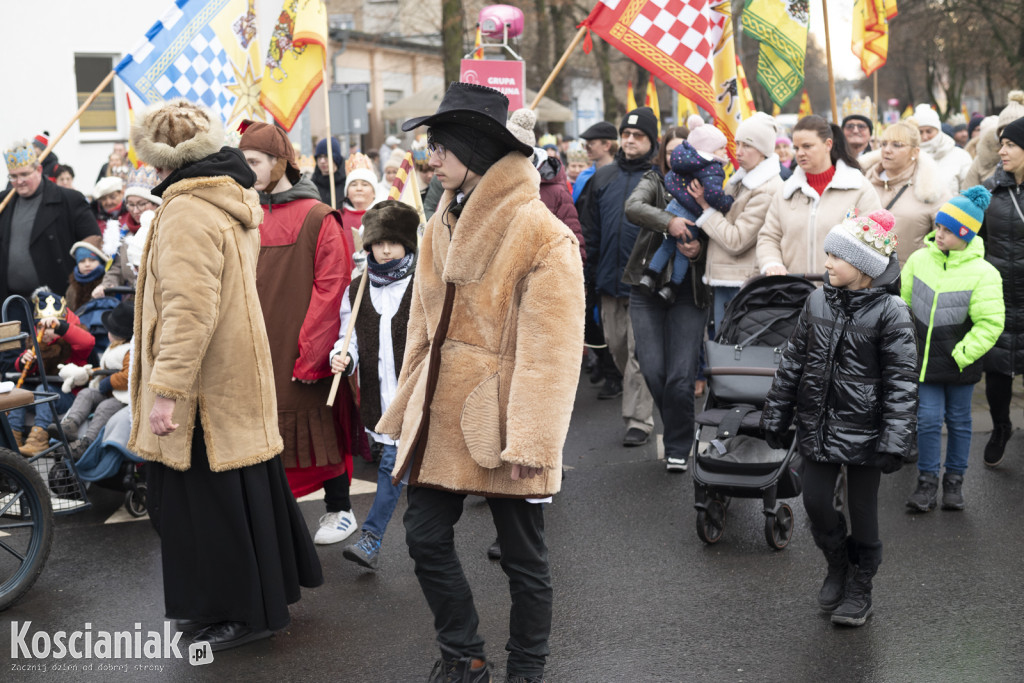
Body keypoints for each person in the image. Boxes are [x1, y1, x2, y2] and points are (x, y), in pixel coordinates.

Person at [376, 82, 584, 682]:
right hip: (441, 409)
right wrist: (403, 406)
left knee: (523, 556)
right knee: (422, 535)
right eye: (429, 146)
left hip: (504, 415)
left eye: (439, 146)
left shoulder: (543, 232)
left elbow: (552, 351)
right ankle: (463, 653)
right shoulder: (441, 215)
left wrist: (533, 439)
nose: (429, 157)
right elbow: (422, 326)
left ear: (473, 149)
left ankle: (527, 668)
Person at [127, 97, 322, 651]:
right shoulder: (223, 199)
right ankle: (250, 602)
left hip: (205, 393)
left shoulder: (188, 210)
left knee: (206, 508)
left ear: (168, 158)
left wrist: (166, 392)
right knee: (237, 497)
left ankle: (237, 611)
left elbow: (188, 312)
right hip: (231, 381)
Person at [761, 208, 918, 628]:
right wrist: (776, 412)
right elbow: (792, 361)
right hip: (818, 423)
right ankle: (838, 564)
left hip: (867, 432)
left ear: (864, 267)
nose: (826, 263)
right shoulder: (816, 300)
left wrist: (895, 439)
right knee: (814, 501)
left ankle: (861, 584)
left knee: (863, 510)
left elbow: (902, 382)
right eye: (828, 254)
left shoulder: (891, 312)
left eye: (836, 257)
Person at [239, 120, 358, 546]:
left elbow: (332, 289)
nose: (246, 169)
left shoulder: (319, 217)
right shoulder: (244, 213)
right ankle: (274, 517)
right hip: (255, 342)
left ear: (280, 161)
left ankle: (340, 509)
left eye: (253, 161)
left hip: (300, 343)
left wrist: (310, 352)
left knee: (317, 429)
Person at [328, 200, 418, 569]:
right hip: (382, 399)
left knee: (422, 475)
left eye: (392, 243)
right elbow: (348, 337)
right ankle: (375, 540)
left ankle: (373, 538)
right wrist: (343, 356)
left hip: (418, 396)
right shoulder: (357, 289)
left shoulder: (424, 283)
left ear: (406, 244)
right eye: (377, 243)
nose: (384, 250)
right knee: (392, 466)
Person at [902, 188, 1004, 512]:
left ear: (966, 233)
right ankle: (927, 482)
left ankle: (955, 481)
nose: (938, 234)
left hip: (961, 363)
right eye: (939, 227)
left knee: (960, 420)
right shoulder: (919, 260)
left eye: (947, 230)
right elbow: (902, 305)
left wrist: (962, 354)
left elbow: (990, 323)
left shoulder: (984, 273)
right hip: (924, 362)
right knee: (928, 420)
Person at [622, 129, 712, 472]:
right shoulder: (654, 180)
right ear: (662, 155)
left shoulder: (710, 185)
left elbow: (723, 232)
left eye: (684, 151)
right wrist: (670, 221)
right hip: (647, 288)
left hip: (689, 291)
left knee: (680, 376)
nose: (678, 158)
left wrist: (699, 250)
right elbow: (634, 207)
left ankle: (678, 443)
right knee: (653, 370)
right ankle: (677, 425)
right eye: (671, 152)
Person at [578, 107, 659, 447]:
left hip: (644, 284)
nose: (629, 140)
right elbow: (588, 229)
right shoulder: (602, 177)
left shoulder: (659, 178)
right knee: (618, 348)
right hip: (608, 283)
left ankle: (639, 419)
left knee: (639, 353)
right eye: (626, 134)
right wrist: (588, 274)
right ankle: (645, 394)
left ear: (651, 142)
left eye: (637, 136)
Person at [688, 112, 785, 328]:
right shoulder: (740, 180)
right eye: (737, 144)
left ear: (763, 151)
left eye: (747, 146)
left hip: (741, 283)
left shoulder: (767, 189)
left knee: (732, 352)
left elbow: (736, 240)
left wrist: (705, 206)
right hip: (728, 278)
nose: (738, 152)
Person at [757, 115, 882, 276]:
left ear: (828, 144)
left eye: (807, 146)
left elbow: (872, 242)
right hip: (793, 292)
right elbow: (768, 237)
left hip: (843, 296)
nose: (800, 153)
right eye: (796, 148)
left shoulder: (859, 188)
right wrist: (772, 264)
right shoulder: (785, 191)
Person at [640, 125, 733, 303]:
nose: (725, 151)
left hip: (673, 208)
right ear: (710, 150)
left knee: (666, 246)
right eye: (721, 148)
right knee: (683, 252)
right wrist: (727, 202)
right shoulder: (712, 168)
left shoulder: (686, 160)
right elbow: (713, 195)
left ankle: (649, 275)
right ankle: (672, 287)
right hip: (691, 215)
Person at [0, 140, 100, 303]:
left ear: (39, 169)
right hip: (11, 301)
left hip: (56, 299)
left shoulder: (69, 200)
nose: (19, 182)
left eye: (24, 174)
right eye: (14, 176)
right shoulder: (4, 202)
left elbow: (93, 242)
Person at [979, 115, 1024, 467]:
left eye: (1010, 144)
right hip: (998, 296)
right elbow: (975, 241)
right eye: (1002, 144)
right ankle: (1001, 427)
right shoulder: (990, 189)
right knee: (996, 370)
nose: (1002, 151)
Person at [10, 288, 95, 455]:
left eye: (49, 327)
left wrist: (60, 327)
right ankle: (12, 436)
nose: (44, 331)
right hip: (41, 396)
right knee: (18, 392)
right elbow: (22, 368)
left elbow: (87, 342)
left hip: (67, 395)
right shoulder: (37, 343)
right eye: (40, 326)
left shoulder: (72, 340)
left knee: (43, 391)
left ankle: (39, 438)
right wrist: (23, 360)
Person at [859, 121, 955, 264]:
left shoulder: (931, 188)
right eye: (883, 144)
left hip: (910, 278)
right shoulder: (863, 180)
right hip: (863, 277)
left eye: (897, 145)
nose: (887, 150)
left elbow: (947, 243)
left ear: (915, 152)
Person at [52, 298, 134, 458]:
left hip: (123, 398)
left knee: (105, 407)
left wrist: (108, 382)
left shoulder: (130, 351)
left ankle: (87, 442)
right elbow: (104, 369)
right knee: (85, 394)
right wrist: (89, 372)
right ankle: (70, 424)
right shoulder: (113, 348)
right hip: (108, 390)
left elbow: (128, 376)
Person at [965, 91, 1024, 188]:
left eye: (1016, 127)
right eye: (1003, 128)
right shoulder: (983, 156)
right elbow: (967, 195)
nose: (1007, 132)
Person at [914, 104, 972, 192]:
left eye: (929, 131)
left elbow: (969, 191)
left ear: (938, 130)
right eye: (920, 132)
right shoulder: (908, 157)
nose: (924, 136)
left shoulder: (961, 156)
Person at [572, 121, 618, 202]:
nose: (586, 149)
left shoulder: (620, 175)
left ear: (607, 145)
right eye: (585, 145)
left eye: (591, 144)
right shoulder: (584, 176)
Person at [64, 240, 111, 312]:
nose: (87, 264)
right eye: (82, 261)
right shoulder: (72, 288)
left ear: (100, 261)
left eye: (92, 260)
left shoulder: (107, 283)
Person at [311, 136, 345, 206]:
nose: (322, 161)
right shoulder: (311, 185)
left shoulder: (347, 184)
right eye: (319, 157)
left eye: (327, 156)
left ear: (336, 159)